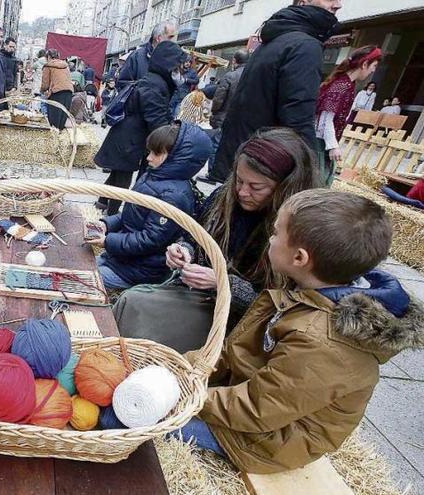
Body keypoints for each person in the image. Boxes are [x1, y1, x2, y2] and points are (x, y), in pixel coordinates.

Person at [173, 189, 424, 474]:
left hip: (262, 442)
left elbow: (257, 408)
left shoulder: (322, 342)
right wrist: (182, 368)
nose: (270, 237)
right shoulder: (310, 291)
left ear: (300, 257)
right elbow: (239, 354)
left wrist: (181, 394)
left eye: (277, 232)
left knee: (133, 419)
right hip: (254, 409)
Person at [113, 127, 320, 352]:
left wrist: (222, 282)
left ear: (285, 187)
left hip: (243, 326)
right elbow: (194, 234)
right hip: (200, 298)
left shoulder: (298, 230)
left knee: (136, 308)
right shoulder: (224, 197)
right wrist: (184, 250)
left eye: (256, 187)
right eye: (239, 181)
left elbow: (281, 306)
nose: (242, 192)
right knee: (131, 302)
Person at [209, 0, 340, 184]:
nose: (338, 5)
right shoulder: (303, 46)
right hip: (263, 166)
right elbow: (298, 116)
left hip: (246, 159)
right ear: (303, 2)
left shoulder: (277, 41)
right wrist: (310, 176)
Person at [88, 121, 210, 289]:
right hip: (121, 258)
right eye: (150, 151)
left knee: (85, 279)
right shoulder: (153, 176)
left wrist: (108, 241)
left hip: (138, 271)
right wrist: (106, 224)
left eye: (156, 153)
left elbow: (150, 239)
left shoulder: (174, 196)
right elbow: (129, 216)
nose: (149, 157)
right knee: (81, 265)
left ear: (178, 157)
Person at [94, 41, 187, 215]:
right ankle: (111, 215)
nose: (180, 70)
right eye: (177, 66)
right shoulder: (154, 84)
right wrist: (169, 137)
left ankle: (102, 203)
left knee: (118, 174)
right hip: (130, 139)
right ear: (168, 64)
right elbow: (156, 120)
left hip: (127, 135)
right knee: (121, 181)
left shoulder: (155, 80)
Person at [315, 46, 382, 185]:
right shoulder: (341, 86)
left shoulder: (347, 84)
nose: (373, 70)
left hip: (322, 143)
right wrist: (332, 145)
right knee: (318, 184)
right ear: (364, 64)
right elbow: (325, 119)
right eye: (373, 66)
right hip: (319, 143)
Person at [204, 49, 249, 178]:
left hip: (223, 117)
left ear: (234, 61)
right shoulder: (253, 75)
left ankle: (213, 173)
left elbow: (219, 98)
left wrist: (214, 112)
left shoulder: (230, 76)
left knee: (217, 145)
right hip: (242, 120)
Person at [116, 21, 177, 89]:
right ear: (159, 38)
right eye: (170, 37)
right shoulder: (136, 57)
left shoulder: (172, 60)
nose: (173, 41)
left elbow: (177, 87)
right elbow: (122, 84)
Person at [40, 49, 75, 130]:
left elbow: (45, 84)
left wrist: (42, 91)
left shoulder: (48, 66)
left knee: (54, 119)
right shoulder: (65, 65)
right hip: (69, 92)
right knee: (62, 118)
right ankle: (59, 136)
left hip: (57, 93)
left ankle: (53, 137)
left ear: (48, 57)